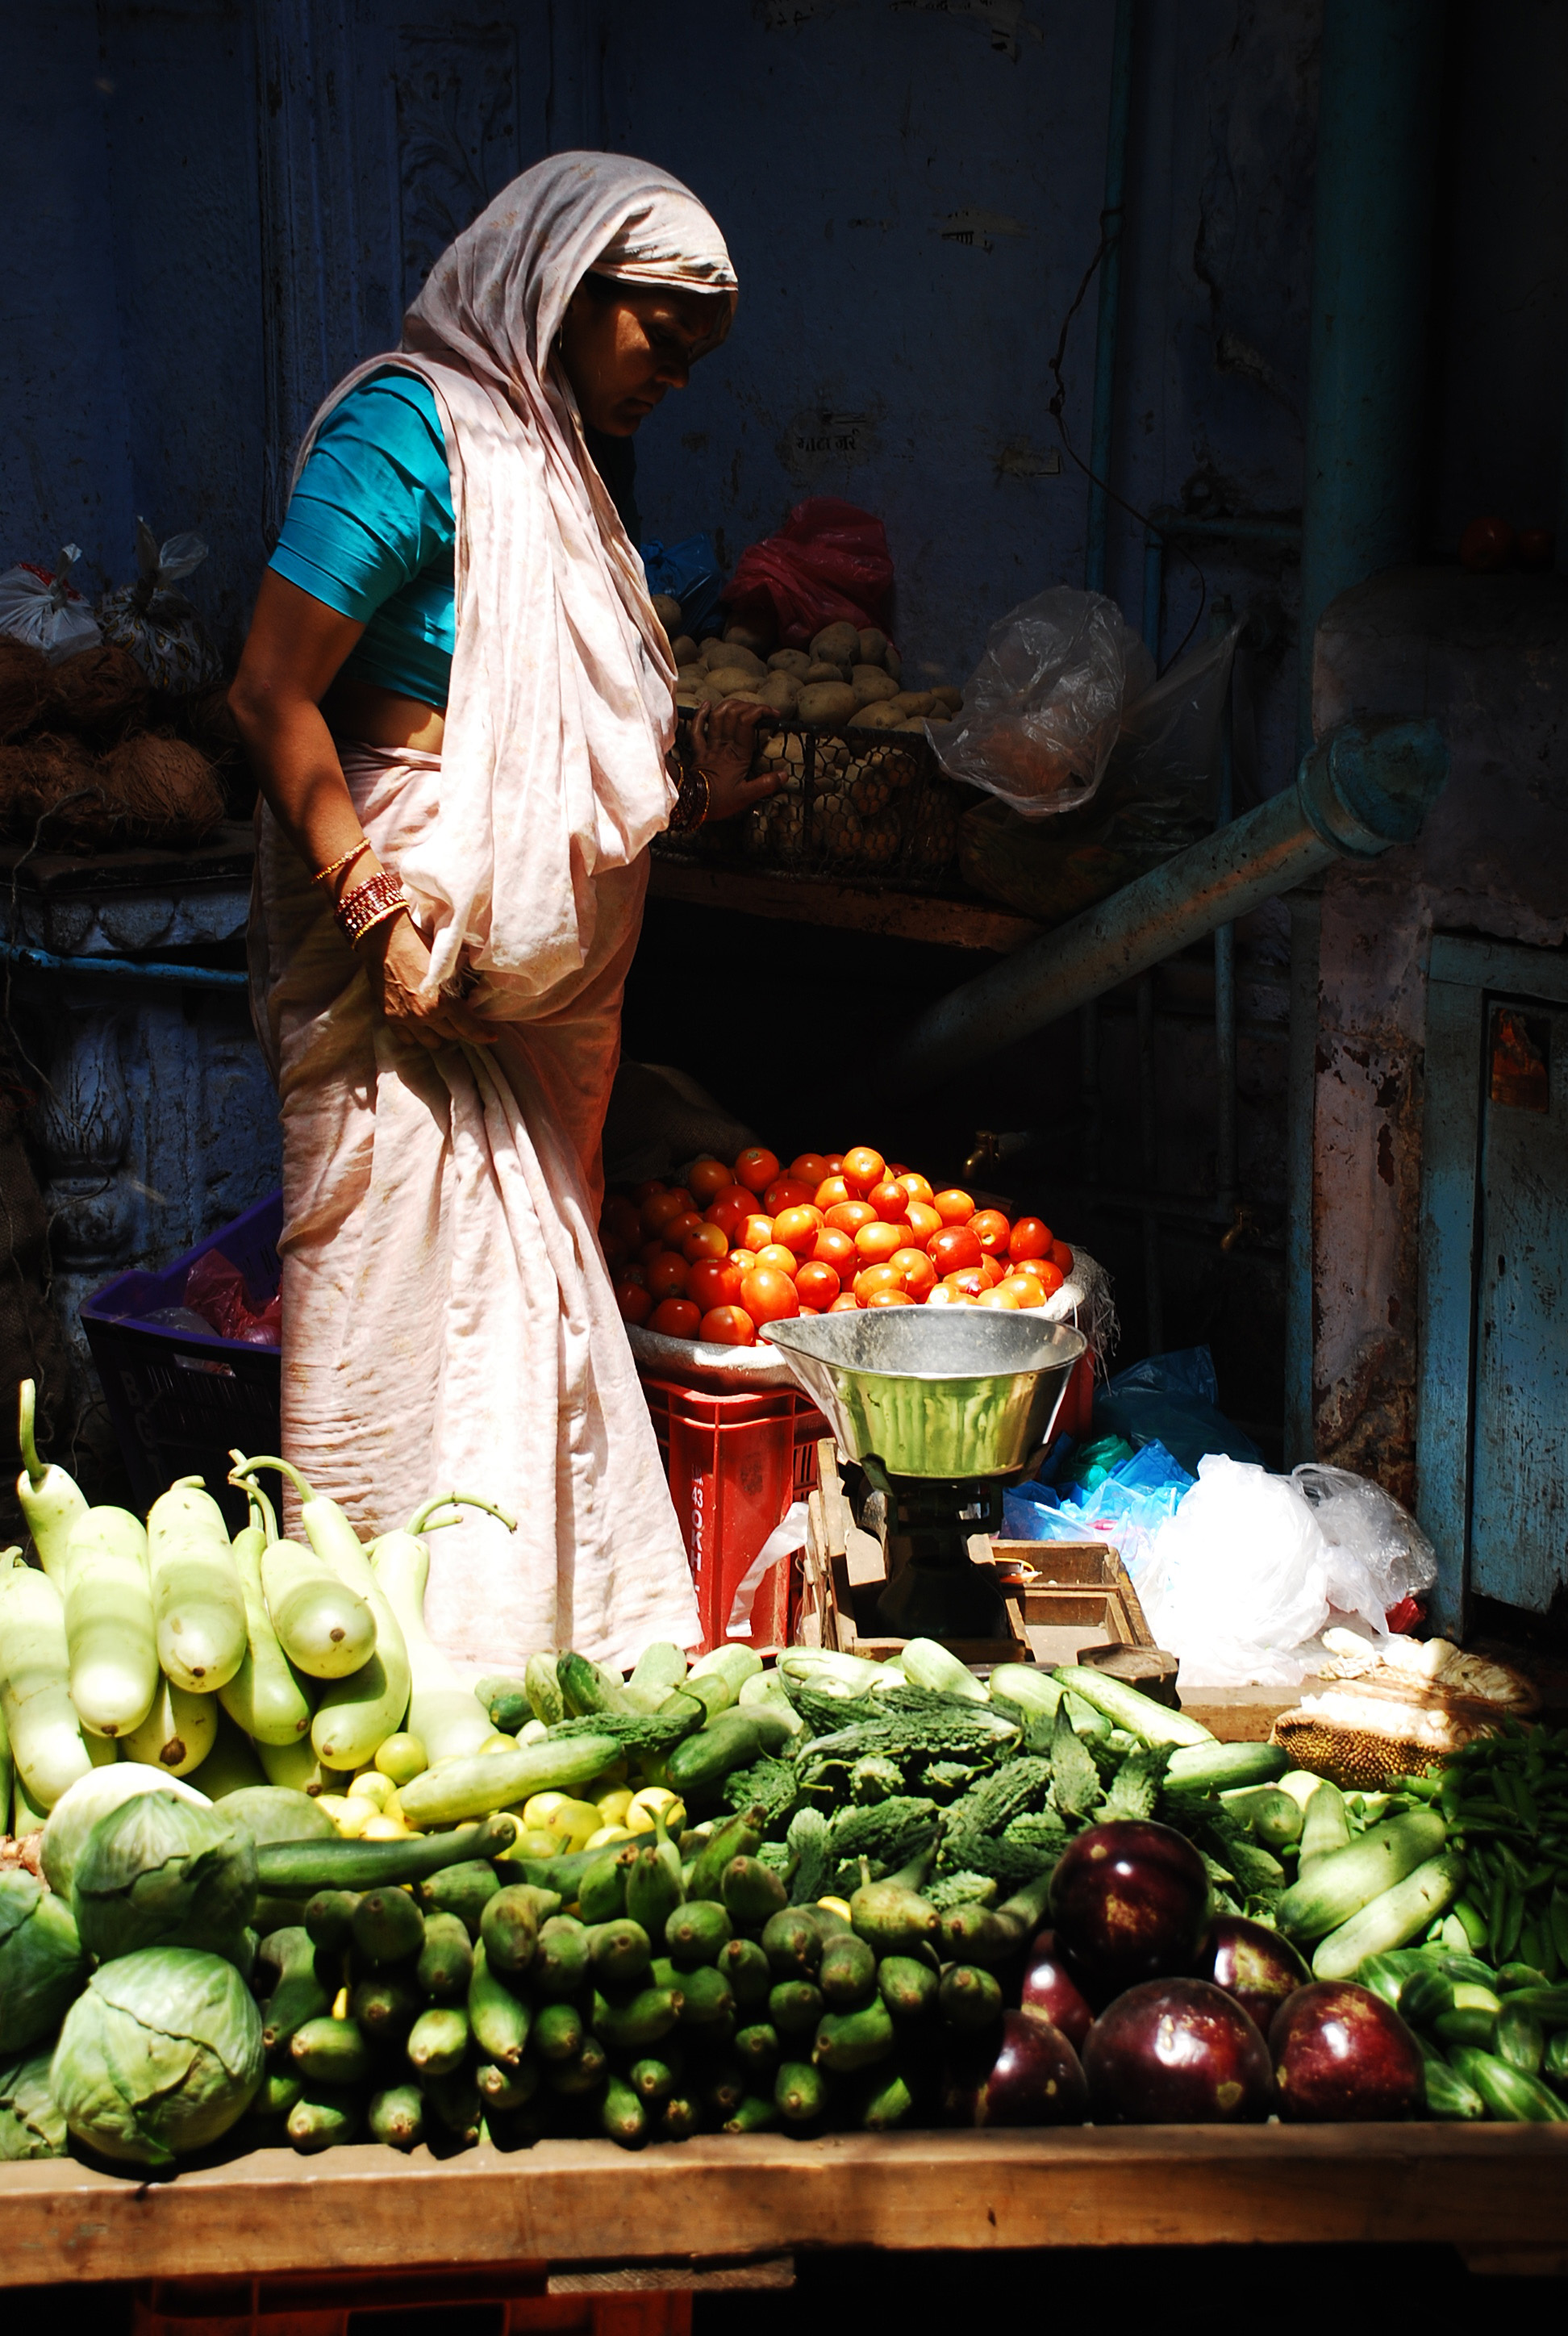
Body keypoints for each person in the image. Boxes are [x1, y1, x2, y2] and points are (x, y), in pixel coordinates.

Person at [230, 152, 778, 1671]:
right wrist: (369, 900)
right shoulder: (405, 434)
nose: (674, 372)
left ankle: (517, 1659)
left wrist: (700, 798)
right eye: (659, 331)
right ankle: (379, 1660)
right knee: (408, 1297)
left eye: (694, 350)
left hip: (531, 1011)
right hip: (398, 959)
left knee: (523, 1323)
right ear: (559, 277)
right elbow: (271, 690)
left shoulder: (560, 473)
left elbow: (555, 757)